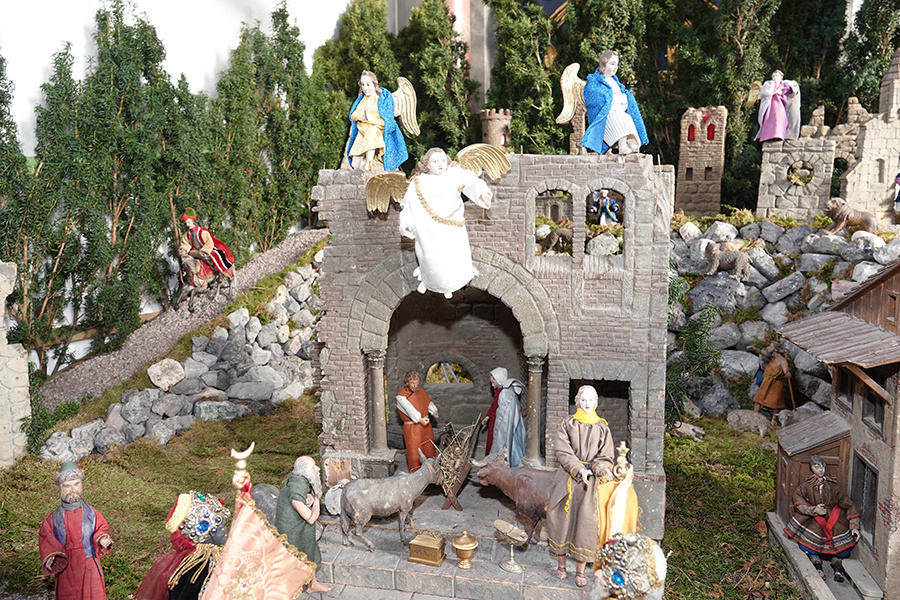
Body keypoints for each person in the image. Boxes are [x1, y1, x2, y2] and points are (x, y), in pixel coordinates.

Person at [398, 148, 493, 298]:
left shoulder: (453, 174)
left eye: (443, 160)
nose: (440, 164)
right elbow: (408, 205)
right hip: (428, 229)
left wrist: (482, 193)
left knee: (452, 257)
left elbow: (471, 180)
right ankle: (429, 282)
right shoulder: (418, 183)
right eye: (435, 161)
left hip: (451, 226)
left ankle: (450, 286)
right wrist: (406, 222)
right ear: (426, 165)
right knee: (432, 260)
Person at [547, 385, 615, 588]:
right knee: (561, 520)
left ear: (596, 402)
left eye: (590, 400)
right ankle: (561, 565)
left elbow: (606, 455)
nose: (587, 404)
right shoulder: (568, 424)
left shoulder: (602, 428)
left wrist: (601, 468)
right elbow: (562, 450)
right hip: (568, 479)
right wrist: (578, 469)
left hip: (590, 483)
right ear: (577, 401)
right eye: (583, 400)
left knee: (586, 525)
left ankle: (580, 570)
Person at [133, 490, 231, 600]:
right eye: (221, 527)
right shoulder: (197, 569)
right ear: (205, 532)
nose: (226, 530)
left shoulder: (208, 559)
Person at [38, 462, 113, 600]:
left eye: (76, 484)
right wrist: (51, 555)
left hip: (89, 564)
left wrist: (102, 538)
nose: (73, 489)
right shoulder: (53, 519)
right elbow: (46, 537)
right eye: (67, 486)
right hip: (66, 566)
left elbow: (101, 526)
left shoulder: (92, 514)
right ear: (60, 488)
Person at [783, 456, 859, 582]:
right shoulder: (806, 486)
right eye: (816, 467)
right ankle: (817, 566)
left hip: (835, 519)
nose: (820, 469)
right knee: (809, 546)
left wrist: (854, 526)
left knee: (842, 548)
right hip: (815, 519)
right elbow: (798, 499)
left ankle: (838, 567)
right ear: (811, 469)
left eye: (822, 466)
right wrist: (813, 510)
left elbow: (848, 504)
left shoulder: (833, 486)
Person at [275, 456, 331, 594]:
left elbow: (307, 496)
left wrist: (310, 497)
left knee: (310, 552)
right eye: (313, 467)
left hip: (302, 526)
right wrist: (316, 500)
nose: (317, 469)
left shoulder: (302, 479)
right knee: (294, 558)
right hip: (291, 529)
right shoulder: (295, 489)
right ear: (304, 471)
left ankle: (312, 585)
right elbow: (311, 518)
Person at [581, 51, 649, 156]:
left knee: (627, 117)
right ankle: (622, 147)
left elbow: (622, 96)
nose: (615, 67)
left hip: (617, 110)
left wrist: (624, 97)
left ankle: (630, 145)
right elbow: (595, 99)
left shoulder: (615, 81)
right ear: (604, 64)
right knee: (622, 118)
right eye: (612, 64)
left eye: (617, 64)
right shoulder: (595, 81)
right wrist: (610, 99)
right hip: (605, 114)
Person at [347, 70, 408, 172]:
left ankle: (369, 163)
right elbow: (353, 115)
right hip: (362, 133)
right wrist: (364, 117)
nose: (365, 88)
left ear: (374, 84)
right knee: (355, 164)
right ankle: (365, 162)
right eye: (362, 85)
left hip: (375, 132)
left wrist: (370, 118)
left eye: (368, 84)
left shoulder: (382, 100)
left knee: (371, 133)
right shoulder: (363, 100)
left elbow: (387, 121)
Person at [482, 367, 526, 467]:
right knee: (492, 439)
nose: (492, 385)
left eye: (493, 382)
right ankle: (490, 458)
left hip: (500, 420)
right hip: (495, 418)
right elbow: (494, 405)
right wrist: (488, 416)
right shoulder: (500, 391)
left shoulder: (504, 393)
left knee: (500, 440)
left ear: (500, 380)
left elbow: (503, 411)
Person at [396, 370, 439, 472]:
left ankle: (431, 469)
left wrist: (433, 411)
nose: (415, 385)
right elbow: (408, 408)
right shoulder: (401, 396)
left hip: (425, 425)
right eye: (412, 383)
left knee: (428, 446)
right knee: (415, 450)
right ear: (407, 382)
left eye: (416, 382)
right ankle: (416, 472)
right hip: (413, 428)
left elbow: (427, 402)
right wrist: (418, 418)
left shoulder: (421, 391)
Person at [178, 208, 235, 280]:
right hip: (196, 251)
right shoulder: (187, 234)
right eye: (186, 223)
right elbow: (186, 243)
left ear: (193, 221)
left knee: (215, 256)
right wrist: (183, 249)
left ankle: (218, 272)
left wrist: (204, 250)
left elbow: (209, 242)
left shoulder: (202, 232)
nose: (187, 225)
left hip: (206, 249)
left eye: (189, 222)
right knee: (188, 260)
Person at [753, 344, 794, 424]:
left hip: (775, 383)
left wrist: (787, 373)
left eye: (770, 346)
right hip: (766, 382)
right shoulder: (769, 357)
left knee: (775, 403)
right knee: (758, 399)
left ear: (775, 349)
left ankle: (774, 420)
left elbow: (785, 370)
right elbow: (761, 351)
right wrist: (755, 348)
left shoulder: (782, 360)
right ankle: (754, 414)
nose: (768, 347)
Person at [755, 70, 801, 143]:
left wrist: (793, 88)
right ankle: (769, 136)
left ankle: (778, 135)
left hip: (779, 105)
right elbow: (764, 93)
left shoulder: (783, 85)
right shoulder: (768, 84)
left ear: (781, 78)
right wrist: (775, 92)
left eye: (777, 76)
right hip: (770, 106)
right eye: (773, 76)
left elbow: (790, 90)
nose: (775, 77)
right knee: (770, 120)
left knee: (779, 120)